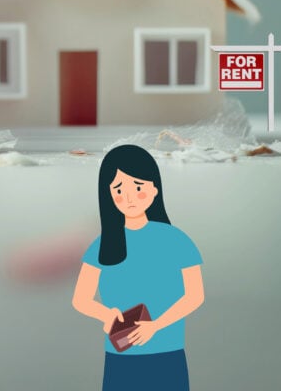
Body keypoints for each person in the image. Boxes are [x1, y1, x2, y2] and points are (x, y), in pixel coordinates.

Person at [72, 144, 204, 390]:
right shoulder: (102, 244)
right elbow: (81, 299)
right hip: (120, 355)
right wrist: (105, 314)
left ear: (154, 189)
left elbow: (195, 295)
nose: (129, 197)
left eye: (138, 187)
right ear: (108, 195)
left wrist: (156, 326)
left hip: (167, 353)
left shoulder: (176, 240)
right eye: (119, 190)